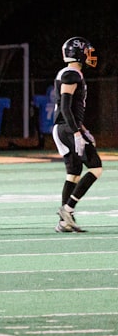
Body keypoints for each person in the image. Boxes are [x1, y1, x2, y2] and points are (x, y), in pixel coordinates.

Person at [53, 36, 103, 233]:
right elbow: (65, 107)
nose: (90, 55)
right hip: (66, 127)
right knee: (96, 168)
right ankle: (68, 209)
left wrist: (82, 129)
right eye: (87, 51)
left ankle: (65, 222)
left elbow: (69, 109)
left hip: (65, 126)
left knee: (73, 173)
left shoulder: (71, 73)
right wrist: (75, 132)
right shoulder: (71, 74)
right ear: (78, 53)